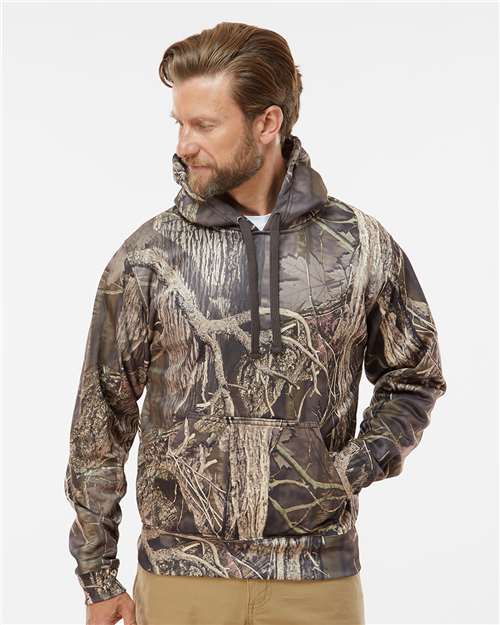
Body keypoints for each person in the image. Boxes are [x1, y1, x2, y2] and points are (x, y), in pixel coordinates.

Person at [64, 21, 447, 625]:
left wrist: (345, 471)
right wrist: (97, 575)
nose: (184, 145)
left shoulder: (361, 247)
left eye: (204, 125)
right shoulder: (148, 258)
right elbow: (101, 415)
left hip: (317, 577)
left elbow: (414, 377)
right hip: (180, 579)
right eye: (179, 124)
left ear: (267, 123)